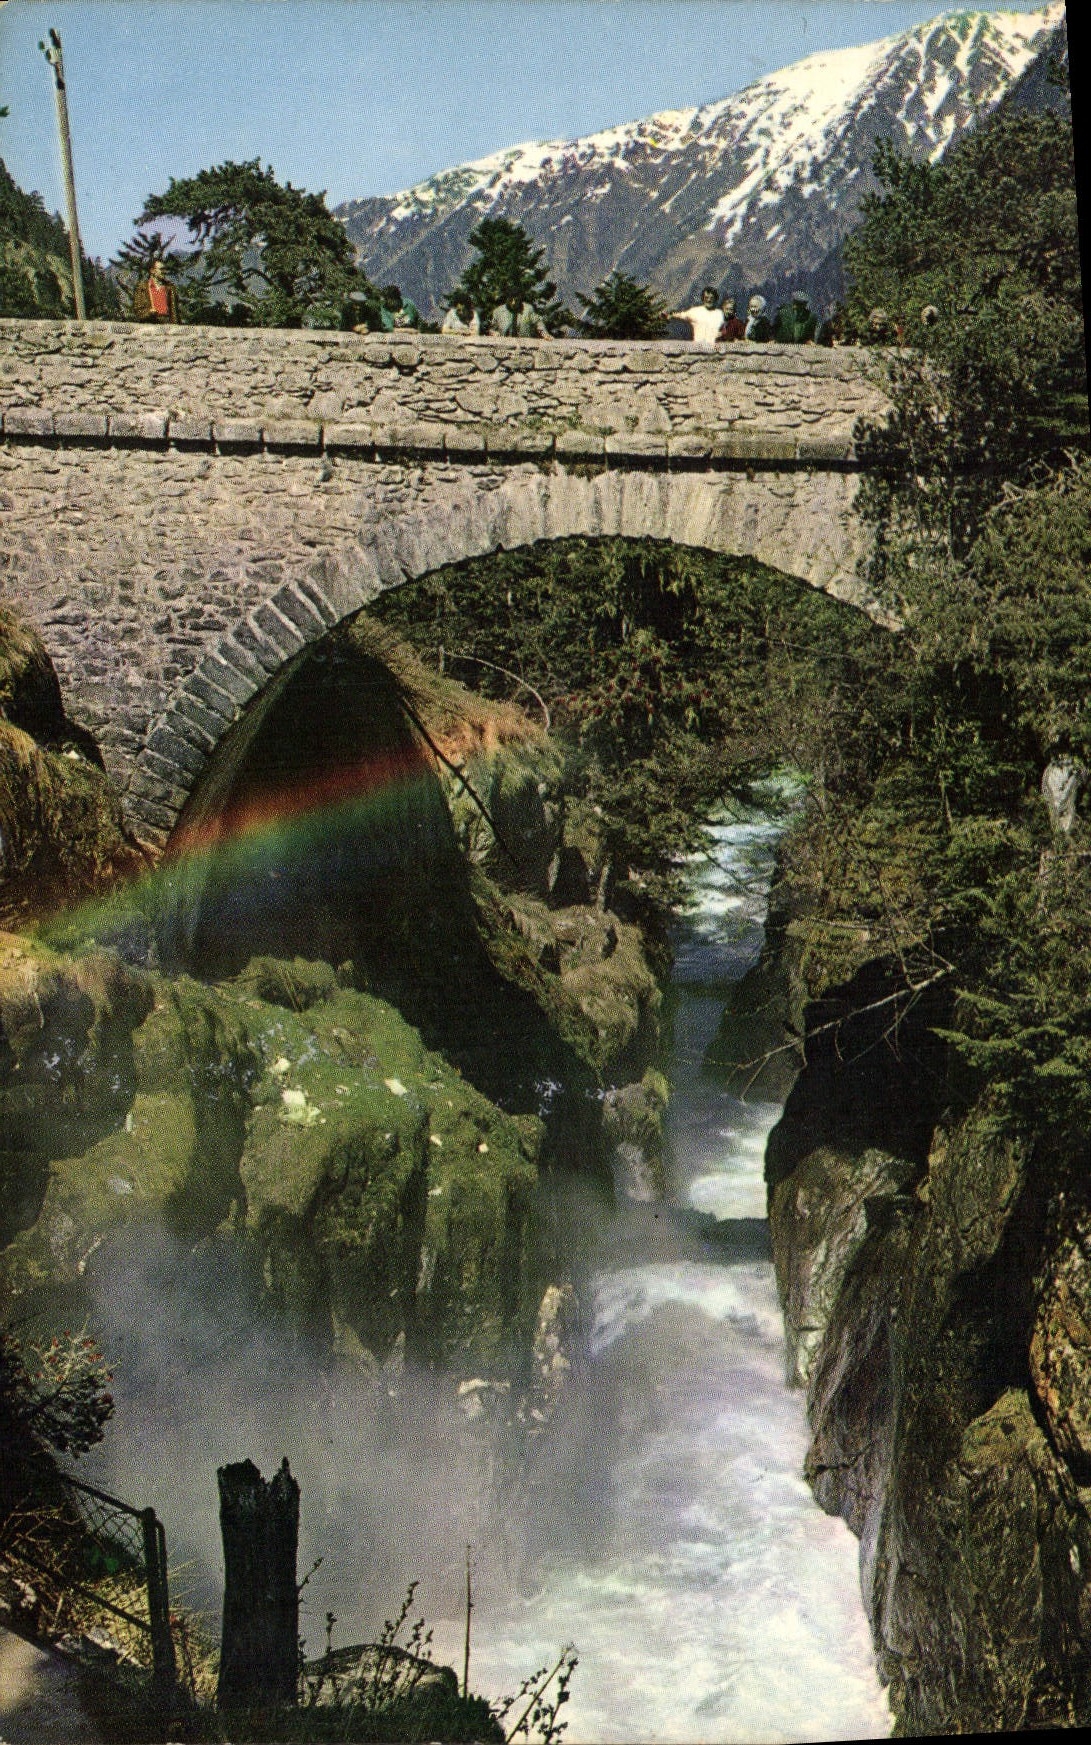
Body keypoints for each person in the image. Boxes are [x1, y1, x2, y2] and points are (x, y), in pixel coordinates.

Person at [132, 258, 180, 324]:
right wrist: (149, 313)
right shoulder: (142, 288)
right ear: (152, 271)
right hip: (149, 325)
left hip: (168, 325)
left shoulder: (170, 288)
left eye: (165, 269)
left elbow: (175, 312)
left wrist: (175, 325)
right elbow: (138, 311)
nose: (164, 271)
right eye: (161, 269)